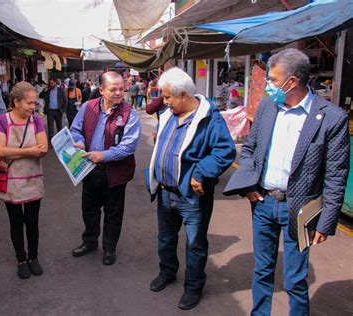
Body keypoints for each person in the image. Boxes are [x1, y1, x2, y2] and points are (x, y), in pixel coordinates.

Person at [223, 48, 350, 315]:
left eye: (272, 79)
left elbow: (336, 174)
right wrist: (248, 185)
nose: (268, 84)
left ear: (291, 81)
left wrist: (326, 222)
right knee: (262, 270)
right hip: (263, 204)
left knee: (295, 279)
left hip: (301, 210)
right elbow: (249, 149)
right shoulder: (269, 107)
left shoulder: (332, 117)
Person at [146, 67, 236, 310]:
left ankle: (193, 287)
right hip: (165, 191)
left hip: (192, 197)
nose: (164, 102)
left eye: (168, 97)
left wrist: (200, 172)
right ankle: (167, 272)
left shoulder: (210, 119)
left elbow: (225, 151)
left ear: (184, 95)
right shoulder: (168, 113)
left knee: (195, 244)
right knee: (166, 239)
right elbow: (153, 109)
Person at [70, 71, 141, 265]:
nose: (119, 92)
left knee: (113, 213)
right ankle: (90, 242)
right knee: (89, 210)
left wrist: (104, 155)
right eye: (113, 89)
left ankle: (109, 248)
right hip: (90, 169)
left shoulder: (129, 113)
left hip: (116, 172)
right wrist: (80, 141)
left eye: (121, 88)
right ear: (101, 90)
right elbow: (75, 129)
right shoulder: (87, 107)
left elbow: (129, 145)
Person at [0, 81, 48, 279]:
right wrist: (29, 151)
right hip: (11, 180)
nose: (32, 107)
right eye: (29, 103)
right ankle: (21, 259)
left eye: (34, 103)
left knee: (33, 221)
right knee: (16, 222)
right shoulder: (2, 121)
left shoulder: (37, 121)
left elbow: (43, 148)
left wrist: (13, 153)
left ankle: (34, 257)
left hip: (33, 178)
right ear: (16, 102)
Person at [39, 78, 67, 143]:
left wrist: (63, 110)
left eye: (52, 83)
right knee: (50, 127)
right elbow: (40, 96)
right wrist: (44, 90)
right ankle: (51, 141)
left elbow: (65, 100)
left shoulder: (60, 90)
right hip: (50, 111)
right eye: (50, 83)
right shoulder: (47, 91)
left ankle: (61, 141)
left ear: (55, 83)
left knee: (59, 127)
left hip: (58, 111)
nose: (51, 85)